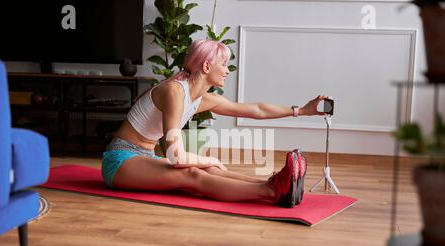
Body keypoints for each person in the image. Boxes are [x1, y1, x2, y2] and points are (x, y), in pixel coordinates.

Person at [101, 39, 328, 208]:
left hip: (145, 157)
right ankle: (273, 191)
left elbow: (256, 109)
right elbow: (175, 155)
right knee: (192, 173)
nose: (228, 70)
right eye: (224, 64)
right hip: (121, 160)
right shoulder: (174, 92)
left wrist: (302, 110)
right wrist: (208, 158)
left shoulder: (202, 98)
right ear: (207, 67)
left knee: (208, 169)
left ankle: (272, 182)